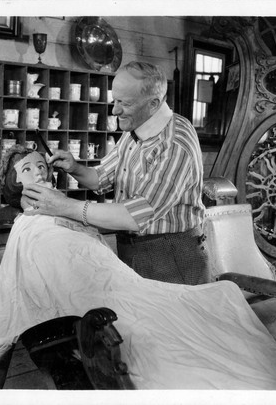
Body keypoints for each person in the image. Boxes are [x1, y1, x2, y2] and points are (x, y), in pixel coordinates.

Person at [0, 146, 276, 390]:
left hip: (130, 288)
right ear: (13, 186)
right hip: (93, 307)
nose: (40, 171)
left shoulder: (67, 214)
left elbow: (114, 240)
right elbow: (33, 293)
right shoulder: (29, 231)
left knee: (214, 305)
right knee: (172, 343)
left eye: (42, 165)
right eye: (28, 169)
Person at [22, 61, 208, 285]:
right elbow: (101, 178)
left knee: (174, 319)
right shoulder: (136, 129)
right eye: (115, 100)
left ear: (153, 103)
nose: (114, 110)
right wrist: (75, 168)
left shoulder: (175, 143)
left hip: (171, 255)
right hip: (133, 250)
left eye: (124, 103)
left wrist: (64, 206)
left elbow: (136, 215)